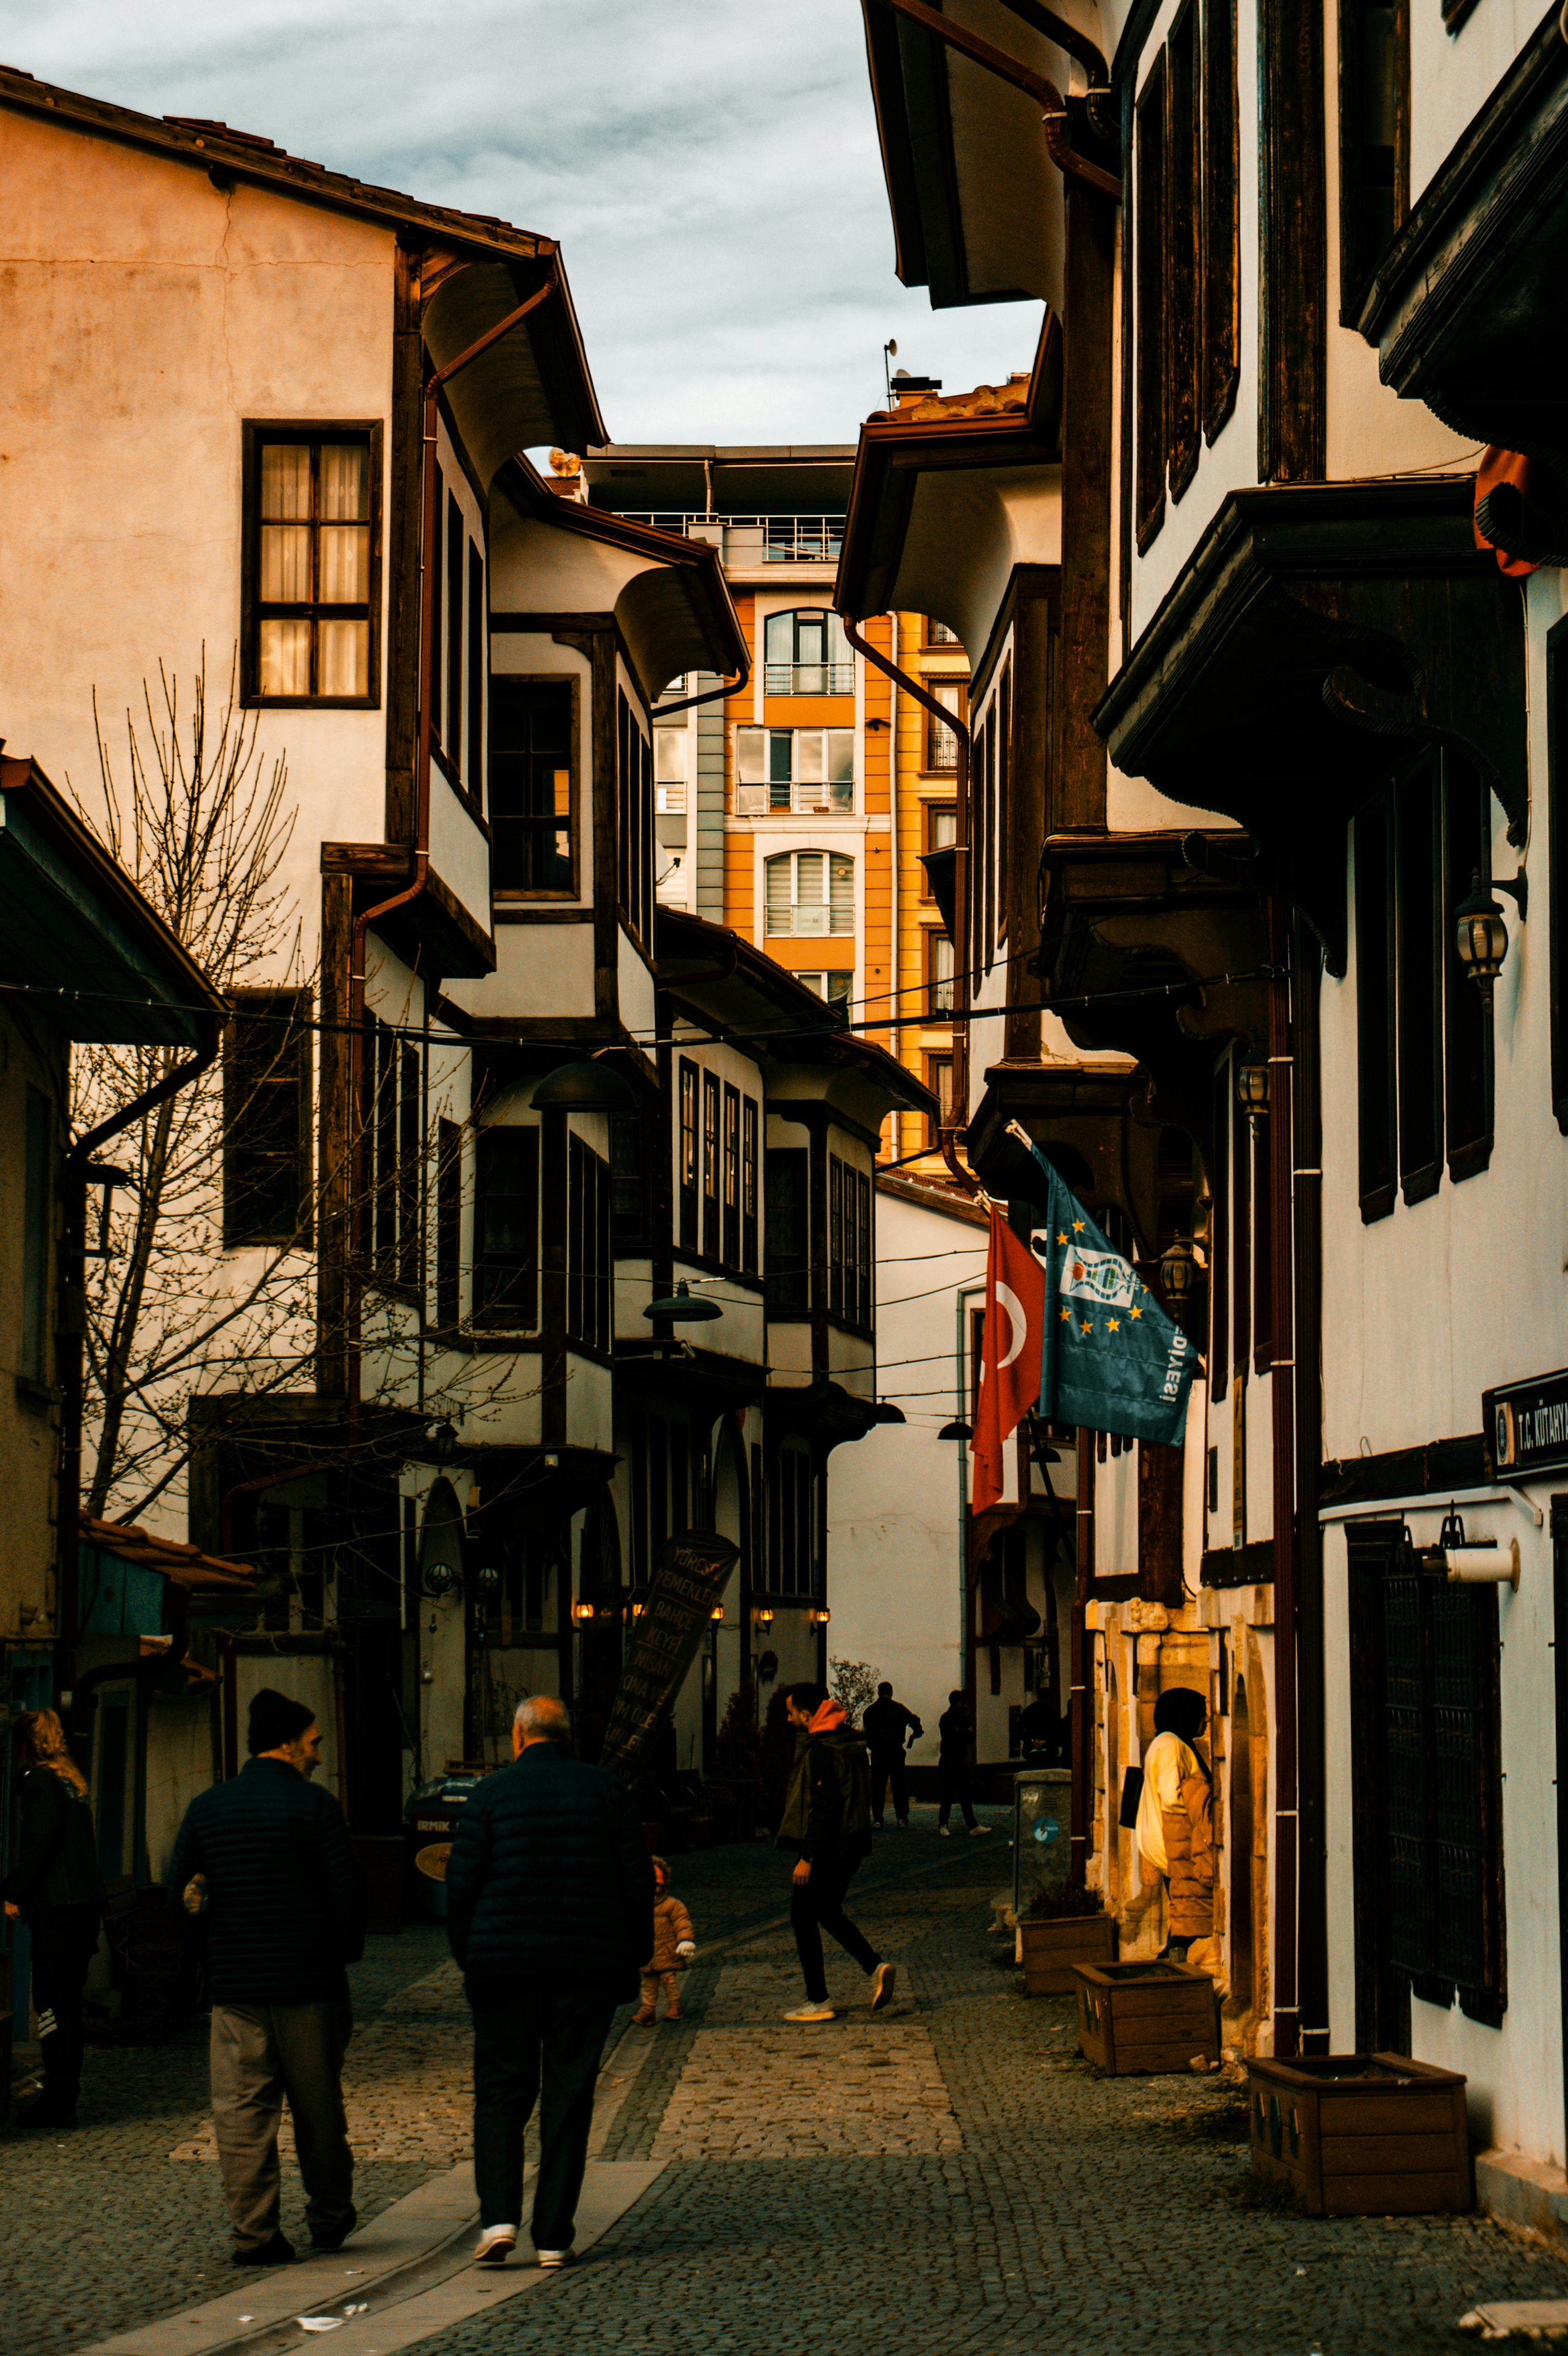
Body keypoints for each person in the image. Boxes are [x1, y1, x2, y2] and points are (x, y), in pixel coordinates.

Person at [445, 1694, 653, 2271]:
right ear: (566, 1736)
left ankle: (498, 2218)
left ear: (518, 1736)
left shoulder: (488, 1794)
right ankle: (554, 2234)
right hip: (584, 1969)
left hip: (504, 1967)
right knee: (568, 2098)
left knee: (500, 2092)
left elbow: (460, 1887)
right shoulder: (607, 1791)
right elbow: (636, 1884)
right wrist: (632, 1956)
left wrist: (470, 1956)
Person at [168, 1689, 365, 2268]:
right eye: (313, 1742)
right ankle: (329, 2215)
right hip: (309, 1984)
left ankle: (254, 2233)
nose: (318, 1754)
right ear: (286, 1742)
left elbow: (180, 1894)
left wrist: (210, 1956)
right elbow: (348, 1895)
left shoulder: (207, 1808)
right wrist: (339, 1955)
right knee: (318, 2107)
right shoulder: (315, 1807)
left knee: (241, 2110)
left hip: (237, 1989)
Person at [1, 1709, 104, 2129]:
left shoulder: (40, 1783)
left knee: (52, 2006)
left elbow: (40, 1843)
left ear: (23, 1746)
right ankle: (64, 2096)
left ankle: (59, 2101)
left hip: (58, 1913)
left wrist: (13, 1892)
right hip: (81, 1910)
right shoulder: (68, 1781)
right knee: (67, 2007)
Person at [776, 1682, 896, 2025]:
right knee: (827, 1911)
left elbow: (823, 1808)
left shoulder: (823, 1749)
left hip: (829, 1848)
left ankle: (819, 1999)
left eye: (791, 1713)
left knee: (802, 1915)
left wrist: (807, 1856)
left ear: (806, 1714)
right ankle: (875, 1967)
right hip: (852, 1845)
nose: (788, 1720)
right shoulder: (847, 1741)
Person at [1133, 1686, 1215, 1961]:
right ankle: (1167, 1972)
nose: (1206, 1720)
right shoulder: (1170, 1745)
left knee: (1185, 1918)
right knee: (1189, 1920)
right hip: (1176, 1847)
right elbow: (1173, 1800)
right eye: (1201, 1714)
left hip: (1170, 1845)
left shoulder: (1168, 1742)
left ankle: (1170, 1966)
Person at [632, 1856, 695, 2026]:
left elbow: (682, 1924)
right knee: (648, 1985)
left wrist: (685, 1940)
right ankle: (648, 2010)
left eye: (657, 1885)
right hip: (648, 1955)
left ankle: (675, 2006)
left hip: (667, 1953)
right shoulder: (638, 1907)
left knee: (669, 1981)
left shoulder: (672, 1905)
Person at [862, 1682, 922, 1830]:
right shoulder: (899, 1708)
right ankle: (902, 1817)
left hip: (878, 1753)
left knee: (878, 1787)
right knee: (899, 1786)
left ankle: (878, 1818)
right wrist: (917, 1732)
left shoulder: (870, 1711)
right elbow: (914, 1720)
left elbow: (868, 1733)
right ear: (891, 1692)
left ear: (878, 1693)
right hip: (896, 1751)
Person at [936, 1691, 990, 1838]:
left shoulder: (963, 1719)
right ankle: (943, 1824)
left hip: (961, 1759)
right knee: (948, 1793)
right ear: (954, 1704)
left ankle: (972, 1826)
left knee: (965, 1794)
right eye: (962, 1703)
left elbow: (970, 1736)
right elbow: (955, 1737)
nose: (965, 1706)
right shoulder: (946, 1719)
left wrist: (962, 1735)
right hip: (949, 1760)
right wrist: (963, 1735)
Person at [1016, 1693, 1063, 1765]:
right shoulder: (1052, 1712)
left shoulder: (1028, 1711)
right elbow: (1058, 1731)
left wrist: (1032, 1740)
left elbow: (1018, 1730)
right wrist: (1046, 1741)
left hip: (1031, 1750)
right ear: (1049, 1699)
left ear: (1038, 1698)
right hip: (1049, 1750)